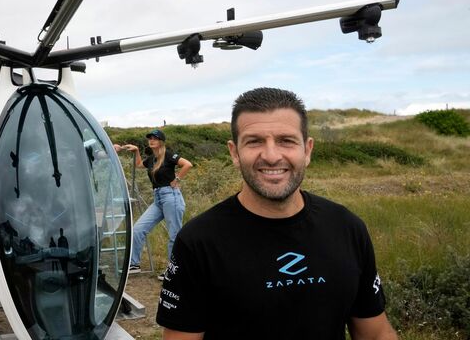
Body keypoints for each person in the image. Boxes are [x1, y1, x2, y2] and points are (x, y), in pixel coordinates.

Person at [156, 88, 397, 339]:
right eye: (254, 141)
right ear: (234, 153)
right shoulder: (198, 242)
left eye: (286, 140)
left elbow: (376, 333)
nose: (271, 156)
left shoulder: (347, 228)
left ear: (307, 150)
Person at [120, 129, 193, 281]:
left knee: (174, 235)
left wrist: (177, 179)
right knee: (138, 229)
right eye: (150, 138)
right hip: (158, 199)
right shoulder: (152, 159)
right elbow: (139, 165)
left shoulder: (168, 155)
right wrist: (136, 151)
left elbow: (187, 164)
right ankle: (134, 264)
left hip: (171, 197)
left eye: (155, 138)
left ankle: (173, 272)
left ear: (161, 141)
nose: (151, 140)